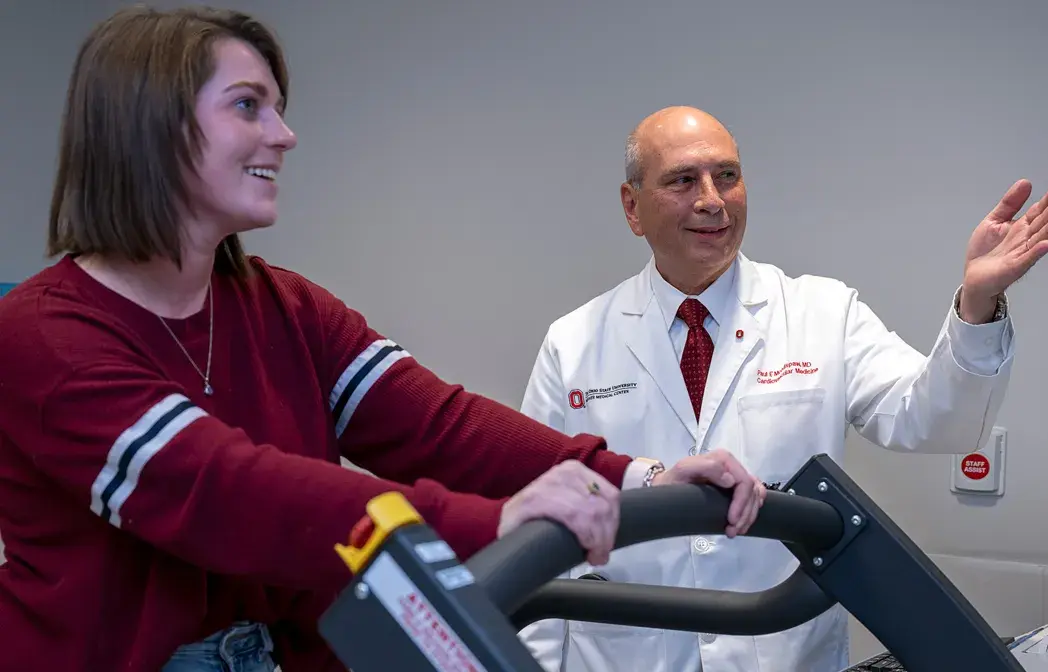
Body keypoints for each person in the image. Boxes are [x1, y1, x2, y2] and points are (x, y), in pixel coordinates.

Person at [0, 13, 767, 672]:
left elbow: (436, 427)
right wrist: (491, 524)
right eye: (249, 106)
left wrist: (638, 478)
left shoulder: (282, 305)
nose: (285, 134)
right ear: (150, 125)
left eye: (279, 107)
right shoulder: (43, 335)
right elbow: (224, 493)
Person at [517, 105, 1048, 672]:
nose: (712, 199)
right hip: (625, 657)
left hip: (781, 655)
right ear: (632, 207)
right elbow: (540, 533)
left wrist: (977, 305)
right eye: (684, 180)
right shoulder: (574, 342)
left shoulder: (822, 313)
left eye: (727, 176)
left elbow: (934, 420)